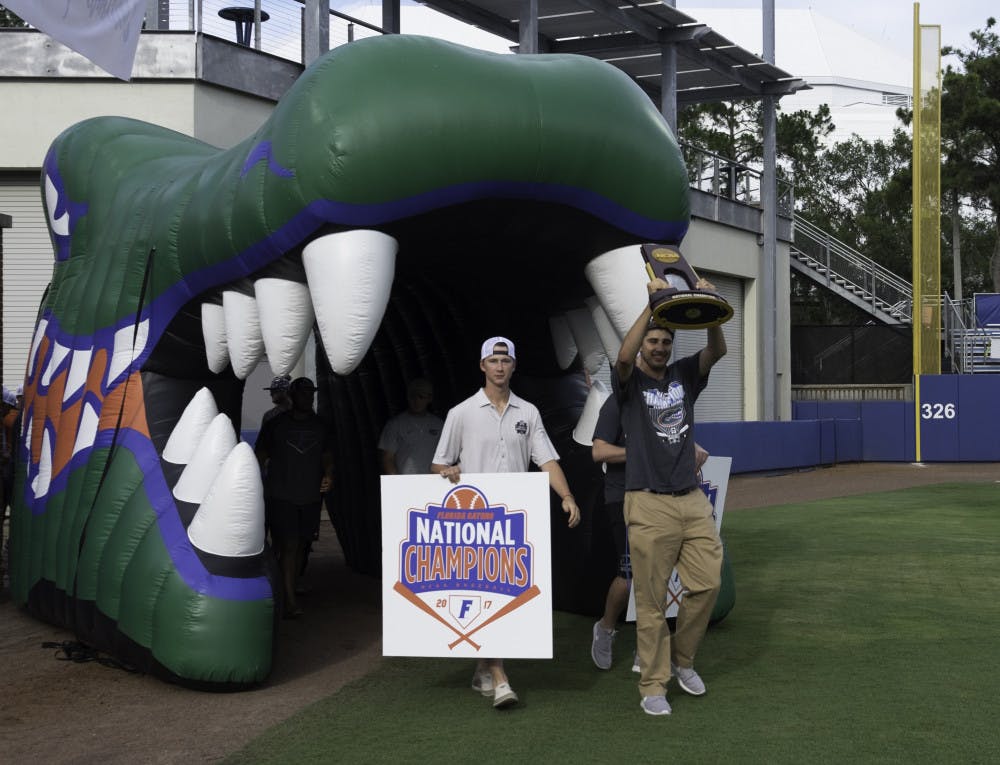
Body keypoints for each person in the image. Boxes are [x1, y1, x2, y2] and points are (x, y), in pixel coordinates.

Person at [431, 336, 581, 710]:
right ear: (482, 366)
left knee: (504, 597)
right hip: (472, 522)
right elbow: (438, 463)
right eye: (493, 360)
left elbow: (546, 460)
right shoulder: (461, 412)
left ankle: (484, 667)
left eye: (506, 360)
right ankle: (500, 678)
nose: (500, 366)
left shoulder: (527, 412)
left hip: (514, 521)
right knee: (487, 595)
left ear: (514, 366)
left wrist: (567, 496)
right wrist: (447, 471)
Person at [614, 276, 726, 716]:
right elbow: (624, 355)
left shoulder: (683, 375)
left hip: (691, 498)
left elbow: (717, 351)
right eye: (654, 340)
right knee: (652, 602)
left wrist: (713, 304)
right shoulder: (630, 384)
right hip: (648, 501)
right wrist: (654, 304)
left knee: (708, 583)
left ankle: (682, 660)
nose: (659, 347)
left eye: (665, 341)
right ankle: (654, 684)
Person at [589, 393, 709, 672]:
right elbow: (599, 452)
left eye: (664, 345)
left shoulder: (666, 402)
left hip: (662, 496)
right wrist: (641, 452)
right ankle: (605, 628)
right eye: (650, 346)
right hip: (624, 496)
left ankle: (647, 646)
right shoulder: (618, 401)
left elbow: (674, 440)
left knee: (657, 574)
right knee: (629, 576)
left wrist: (693, 448)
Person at [255, 377, 333, 619]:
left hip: (310, 496)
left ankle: (286, 589)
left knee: (301, 546)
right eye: (303, 393)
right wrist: (262, 481)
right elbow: (260, 453)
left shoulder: (321, 425)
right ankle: (288, 601)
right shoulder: (275, 424)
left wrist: (330, 474)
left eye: (311, 394)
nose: (308, 398)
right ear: (292, 394)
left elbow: (327, 455)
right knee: (288, 546)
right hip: (282, 495)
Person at [378, 378, 443, 475]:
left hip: (432, 483)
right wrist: (396, 482)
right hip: (405, 484)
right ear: (407, 397)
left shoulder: (439, 424)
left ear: (429, 398)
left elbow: (445, 457)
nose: (416, 401)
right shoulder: (395, 424)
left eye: (421, 397)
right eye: (413, 396)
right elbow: (388, 458)